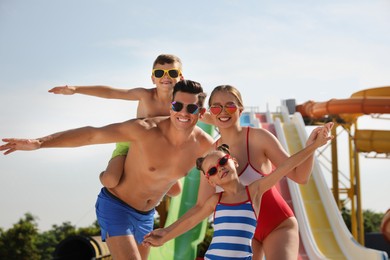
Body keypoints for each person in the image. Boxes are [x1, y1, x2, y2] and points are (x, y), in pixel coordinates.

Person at [0, 80, 215, 260]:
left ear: (201, 112)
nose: (183, 113)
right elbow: (93, 134)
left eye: (191, 108)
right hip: (116, 206)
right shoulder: (145, 129)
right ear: (171, 106)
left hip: (147, 216)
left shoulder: (205, 145)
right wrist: (39, 142)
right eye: (177, 106)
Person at [176, 85, 334, 260]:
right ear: (210, 112)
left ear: (240, 109)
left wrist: (311, 147)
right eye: (216, 107)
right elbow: (200, 207)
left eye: (229, 105)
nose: (223, 111)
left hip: (278, 225)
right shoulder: (210, 159)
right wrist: (166, 232)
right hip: (245, 234)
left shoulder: (259, 138)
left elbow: (300, 176)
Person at [143, 123, 332, 259]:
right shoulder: (215, 201)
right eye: (213, 170)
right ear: (210, 180)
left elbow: (287, 166)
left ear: (234, 161)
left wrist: (313, 146)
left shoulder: (255, 191)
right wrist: (165, 234)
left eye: (223, 162)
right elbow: (192, 219)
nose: (220, 168)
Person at [48, 54, 184, 191]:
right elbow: (111, 92)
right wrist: (76, 89)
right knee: (110, 180)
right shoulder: (145, 95)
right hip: (131, 142)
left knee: (175, 191)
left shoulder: (182, 104)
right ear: (153, 78)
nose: (166, 77)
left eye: (172, 72)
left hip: (157, 148)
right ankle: (109, 173)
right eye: (160, 73)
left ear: (181, 77)